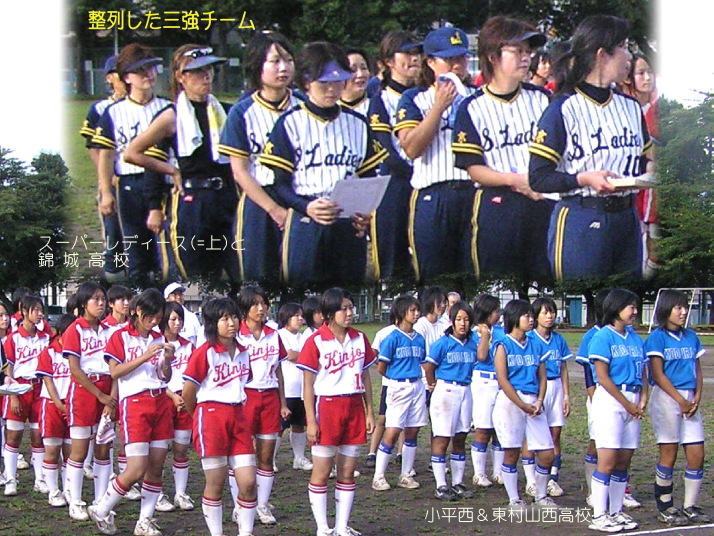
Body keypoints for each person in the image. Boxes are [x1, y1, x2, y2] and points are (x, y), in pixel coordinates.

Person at [529, 15, 652, 281]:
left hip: (627, 218)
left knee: (625, 298)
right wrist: (583, 178)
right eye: (623, 47)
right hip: (581, 215)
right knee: (581, 296)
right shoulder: (562, 108)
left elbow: (643, 159)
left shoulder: (631, 106)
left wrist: (651, 170)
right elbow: (538, 177)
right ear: (602, 55)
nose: (629, 56)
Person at [259, 41, 387, 287]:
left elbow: (369, 178)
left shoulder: (359, 124)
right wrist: (306, 207)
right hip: (306, 220)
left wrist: (365, 212)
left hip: (347, 222)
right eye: (324, 82)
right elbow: (279, 185)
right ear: (307, 82)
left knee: (348, 296)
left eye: (337, 81)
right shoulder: (289, 123)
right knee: (303, 297)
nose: (331, 89)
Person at [124, 45, 238, 284]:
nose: (206, 76)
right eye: (197, 71)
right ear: (180, 77)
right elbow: (133, 153)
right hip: (191, 200)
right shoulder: (172, 116)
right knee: (195, 273)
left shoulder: (225, 112)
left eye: (209, 69)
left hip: (226, 197)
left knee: (236, 268)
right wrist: (170, 172)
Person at [453, 16, 553, 283]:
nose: (526, 58)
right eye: (517, 51)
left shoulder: (543, 98)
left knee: (544, 284)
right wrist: (515, 180)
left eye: (528, 52)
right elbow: (473, 168)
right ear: (492, 56)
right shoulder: (471, 107)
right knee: (497, 284)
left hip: (542, 203)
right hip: (497, 204)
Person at [88, 288, 175, 536]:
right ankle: (101, 508)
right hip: (135, 403)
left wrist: (167, 361)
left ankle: (144, 521)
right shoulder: (120, 336)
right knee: (136, 467)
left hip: (160, 401)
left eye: (158, 317)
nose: (154, 322)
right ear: (137, 311)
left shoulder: (159, 337)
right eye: (150, 316)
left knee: (156, 467)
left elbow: (164, 376)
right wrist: (144, 356)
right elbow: (115, 372)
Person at [218, 31, 301, 285]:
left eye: (288, 60)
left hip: (300, 199)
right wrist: (274, 210)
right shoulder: (242, 112)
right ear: (257, 66)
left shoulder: (304, 106)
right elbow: (240, 171)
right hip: (259, 201)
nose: (283, 68)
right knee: (259, 280)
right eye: (274, 61)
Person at [394, 26, 475, 283]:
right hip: (433, 193)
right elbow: (411, 148)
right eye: (449, 59)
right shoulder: (414, 97)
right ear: (430, 62)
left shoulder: (477, 97)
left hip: (472, 191)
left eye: (461, 58)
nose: (457, 66)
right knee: (434, 278)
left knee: (473, 276)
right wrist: (438, 108)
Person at [92, 43, 172, 288]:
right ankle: (139, 295)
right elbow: (106, 155)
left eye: (151, 68)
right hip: (129, 183)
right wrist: (106, 192)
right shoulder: (114, 112)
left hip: (162, 184)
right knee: (136, 247)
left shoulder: (167, 109)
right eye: (140, 71)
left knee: (164, 249)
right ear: (126, 77)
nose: (148, 75)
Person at [297, 287, 376, 536]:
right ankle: (323, 528)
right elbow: (307, 385)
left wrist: (370, 412)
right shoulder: (316, 341)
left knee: (347, 471)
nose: (350, 313)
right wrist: (311, 421)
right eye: (344, 309)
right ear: (330, 313)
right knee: (321, 471)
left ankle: (342, 527)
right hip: (327, 407)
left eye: (351, 308)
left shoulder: (360, 338)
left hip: (354, 406)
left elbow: (366, 376)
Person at [181, 297, 258, 536]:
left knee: (248, 482)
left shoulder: (244, 352)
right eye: (224, 319)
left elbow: (244, 384)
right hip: (211, 415)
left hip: (238, 415)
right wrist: (198, 416)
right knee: (216, 482)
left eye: (234, 317)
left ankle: (245, 532)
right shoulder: (205, 352)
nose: (231, 323)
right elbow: (188, 392)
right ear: (213, 324)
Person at [645, 290, 710, 525]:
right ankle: (665, 505)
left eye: (685, 307)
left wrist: (696, 396)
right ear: (666, 309)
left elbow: (697, 369)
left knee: (697, 453)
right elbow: (658, 374)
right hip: (666, 398)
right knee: (669, 452)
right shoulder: (657, 338)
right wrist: (680, 400)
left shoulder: (691, 336)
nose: (683, 312)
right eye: (678, 307)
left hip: (689, 398)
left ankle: (690, 505)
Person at [588, 289, 647, 533]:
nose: (635, 311)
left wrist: (643, 398)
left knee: (624, 460)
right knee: (608, 460)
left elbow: (643, 371)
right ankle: (599, 515)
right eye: (630, 307)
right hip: (612, 401)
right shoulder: (603, 337)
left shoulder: (634, 337)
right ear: (616, 309)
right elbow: (602, 377)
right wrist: (627, 403)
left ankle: (615, 511)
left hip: (633, 399)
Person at [491, 299, 556, 510]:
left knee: (547, 453)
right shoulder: (503, 344)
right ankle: (514, 499)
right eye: (526, 316)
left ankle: (541, 495)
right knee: (512, 451)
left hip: (533, 402)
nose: (531, 319)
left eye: (531, 315)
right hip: (511, 402)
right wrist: (521, 404)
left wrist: (539, 400)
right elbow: (503, 380)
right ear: (514, 318)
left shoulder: (535, 344)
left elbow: (543, 377)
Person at [367, 31, 422, 280]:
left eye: (416, 53)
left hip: (425, 182)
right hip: (395, 183)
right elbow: (384, 150)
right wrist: (413, 171)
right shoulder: (381, 99)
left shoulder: (426, 95)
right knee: (392, 258)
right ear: (389, 61)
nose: (414, 58)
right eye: (406, 53)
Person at [62, 282, 117, 521]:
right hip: (84, 392)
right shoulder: (74, 330)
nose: (101, 303)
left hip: (107, 388)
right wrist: (100, 395)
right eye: (95, 299)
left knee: (104, 447)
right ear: (84, 303)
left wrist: (111, 397)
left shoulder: (109, 331)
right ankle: (75, 500)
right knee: (80, 448)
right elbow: (75, 369)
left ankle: (100, 501)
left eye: (103, 299)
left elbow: (116, 367)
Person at [235, 285, 289, 525]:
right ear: (245, 308)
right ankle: (240, 504)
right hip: (244, 397)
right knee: (242, 456)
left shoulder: (274, 334)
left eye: (263, 303)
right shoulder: (236, 334)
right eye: (255, 304)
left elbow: (278, 370)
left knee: (266, 456)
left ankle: (262, 505)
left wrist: (282, 402)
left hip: (269, 397)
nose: (261, 308)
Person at [423, 300, 477, 501]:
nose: (463, 323)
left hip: (465, 390)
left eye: (466, 319)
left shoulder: (472, 344)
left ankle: (457, 483)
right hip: (446, 390)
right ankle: (441, 485)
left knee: (461, 437)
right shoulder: (443, 343)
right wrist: (432, 384)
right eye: (459, 319)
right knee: (442, 437)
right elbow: (429, 366)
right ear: (452, 321)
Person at [80, 55, 127, 282]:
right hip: (113, 181)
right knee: (114, 235)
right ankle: (114, 282)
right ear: (109, 78)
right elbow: (94, 147)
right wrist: (109, 177)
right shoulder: (100, 109)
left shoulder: (148, 107)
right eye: (120, 72)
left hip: (142, 181)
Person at [371, 295, 426, 492]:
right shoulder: (392, 338)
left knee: (413, 430)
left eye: (417, 310)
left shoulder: (419, 339)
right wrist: (396, 378)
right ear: (402, 313)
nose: (416, 314)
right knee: (393, 431)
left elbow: (422, 362)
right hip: (398, 386)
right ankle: (378, 476)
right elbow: (381, 367)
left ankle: (406, 474)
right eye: (412, 310)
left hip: (417, 385)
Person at [522, 297, 572, 498]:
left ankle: (552, 478)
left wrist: (566, 395)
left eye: (552, 312)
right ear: (536, 316)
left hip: (556, 387)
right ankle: (531, 480)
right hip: (537, 388)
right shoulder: (530, 339)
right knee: (532, 436)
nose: (550, 316)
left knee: (555, 435)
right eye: (545, 312)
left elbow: (564, 368)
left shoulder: (558, 340)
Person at [2, 295, 51, 496]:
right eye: (35, 310)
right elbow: (8, 368)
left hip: (39, 388)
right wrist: (13, 395)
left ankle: (40, 479)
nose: (39, 314)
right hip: (19, 387)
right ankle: (10, 479)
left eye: (41, 310)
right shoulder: (13, 338)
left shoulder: (45, 337)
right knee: (13, 436)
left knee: (38, 435)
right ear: (24, 312)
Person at [622, 53, 659, 277]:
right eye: (641, 73)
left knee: (656, 239)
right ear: (629, 78)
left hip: (655, 184)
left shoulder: (660, 108)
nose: (647, 78)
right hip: (630, 183)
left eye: (650, 72)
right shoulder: (623, 109)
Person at [36, 313, 76, 507]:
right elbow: (48, 382)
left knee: (71, 452)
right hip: (52, 405)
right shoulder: (49, 352)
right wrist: (60, 405)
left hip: (73, 405)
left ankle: (68, 489)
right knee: (52, 450)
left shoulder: (77, 353)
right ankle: (53, 490)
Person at [161, 300, 196, 511]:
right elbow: (153, 376)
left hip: (184, 400)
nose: (178, 323)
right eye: (173, 319)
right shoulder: (157, 343)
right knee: (158, 451)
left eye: (180, 319)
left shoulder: (188, 345)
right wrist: (172, 396)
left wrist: (187, 396)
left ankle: (180, 493)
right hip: (164, 399)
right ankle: (156, 493)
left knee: (181, 449)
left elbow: (193, 374)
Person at [469, 294, 506, 487]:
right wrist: (484, 335)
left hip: (500, 381)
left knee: (499, 428)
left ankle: (498, 471)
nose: (498, 315)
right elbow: (482, 356)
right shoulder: (474, 332)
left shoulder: (501, 331)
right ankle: (479, 473)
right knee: (483, 428)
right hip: (483, 382)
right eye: (495, 311)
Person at [276, 302, 314, 472]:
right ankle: (271, 459)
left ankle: (299, 458)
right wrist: (306, 356)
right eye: (296, 316)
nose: (300, 319)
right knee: (280, 426)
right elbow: (290, 355)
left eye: (301, 316)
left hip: (302, 388)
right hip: (286, 389)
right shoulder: (280, 335)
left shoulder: (302, 336)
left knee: (299, 425)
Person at [339, 47, 372, 116]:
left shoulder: (378, 105)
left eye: (364, 68)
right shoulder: (330, 108)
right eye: (353, 70)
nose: (360, 74)